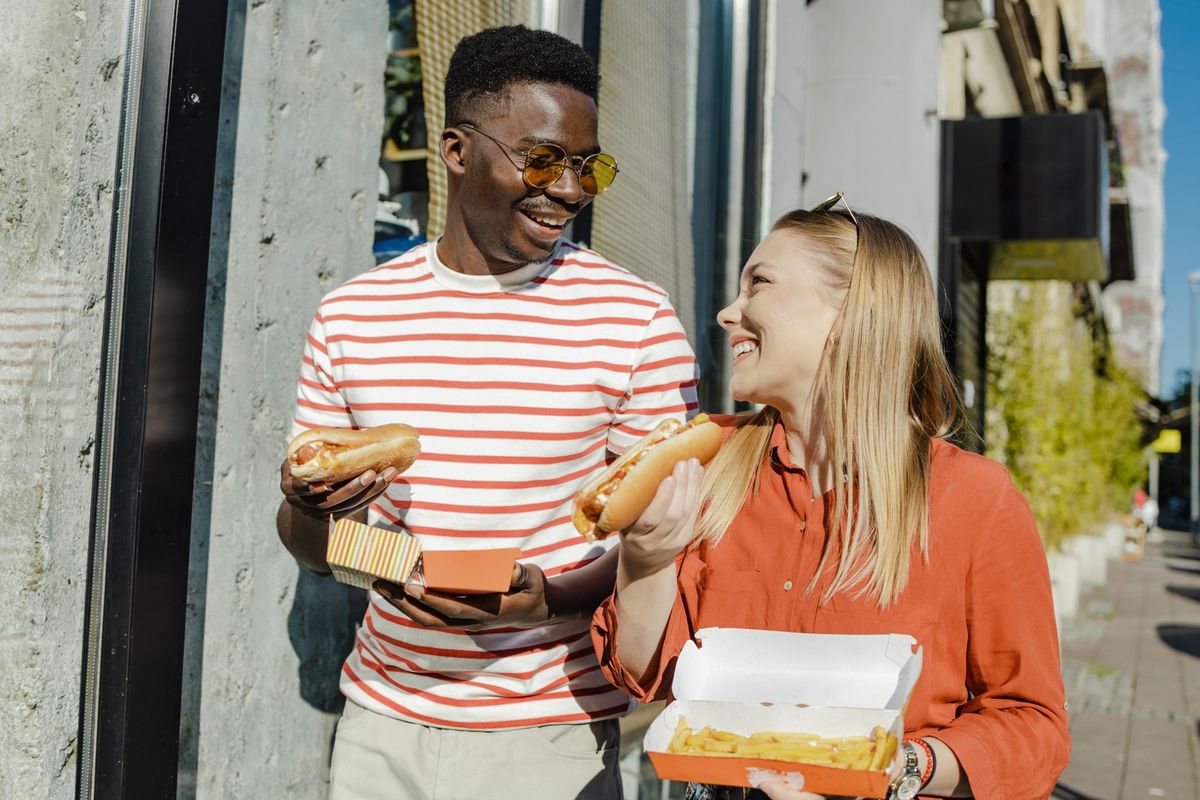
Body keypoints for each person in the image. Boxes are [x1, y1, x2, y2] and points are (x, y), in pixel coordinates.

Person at [277, 26, 698, 800]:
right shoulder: (352, 315)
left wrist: (552, 595)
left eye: (587, 166)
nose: (569, 190)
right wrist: (311, 511)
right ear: (456, 150)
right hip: (380, 726)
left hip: (553, 735)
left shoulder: (636, 319)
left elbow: (668, 542)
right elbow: (317, 551)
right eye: (541, 159)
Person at [591, 198, 1071, 799]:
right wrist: (646, 560)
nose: (725, 313)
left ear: (851, 314)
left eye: (758, 284)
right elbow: (645, 674)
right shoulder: (706, 463)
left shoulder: (974, 497)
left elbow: (1033, 724)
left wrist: (901, 766)